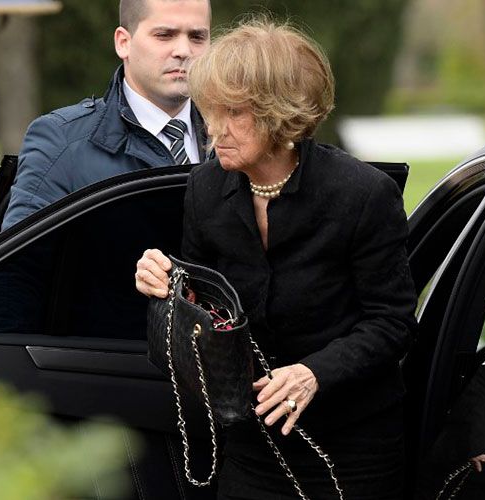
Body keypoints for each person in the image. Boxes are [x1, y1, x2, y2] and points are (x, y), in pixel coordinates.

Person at [135, 18, 418, 500]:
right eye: (209, 111)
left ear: (279, 113)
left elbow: (391, 323)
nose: (213, 130)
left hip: (352, 445)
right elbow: (207, 306)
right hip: (252, 439)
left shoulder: (362, 195)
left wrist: (313, 374)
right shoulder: (206, 189)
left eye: (234, 114)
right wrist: (167, 281)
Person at [2, 0, 214, 230]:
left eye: (197, 37)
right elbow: (17, 263)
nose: (183, 51)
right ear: (123, 43)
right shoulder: (61, 144)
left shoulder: (241, 138)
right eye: (164, 35)